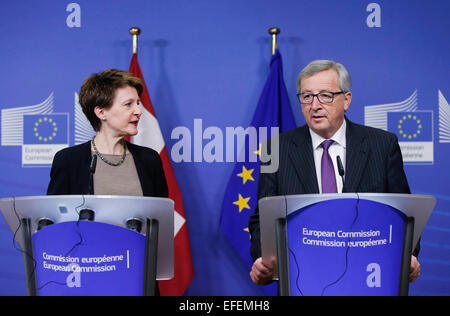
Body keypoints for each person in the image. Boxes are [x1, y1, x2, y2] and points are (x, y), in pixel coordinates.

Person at [248, 60, 421, 286]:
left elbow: (403, 213)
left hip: (369, 278)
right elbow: (263, 217)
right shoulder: (275, 149)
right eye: (307, 96)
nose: (315, 105)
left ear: (346, 100)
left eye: (325, 96)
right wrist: (262, 259)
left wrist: (411, 254)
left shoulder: (382, 145)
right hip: (303, 278)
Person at [47, 68, 168, 201]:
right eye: (128, 104)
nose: (138, 111)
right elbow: (56, 217)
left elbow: (161, 216)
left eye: (137, 103)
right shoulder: (69, 160)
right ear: (101, 112)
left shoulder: (149, 159)